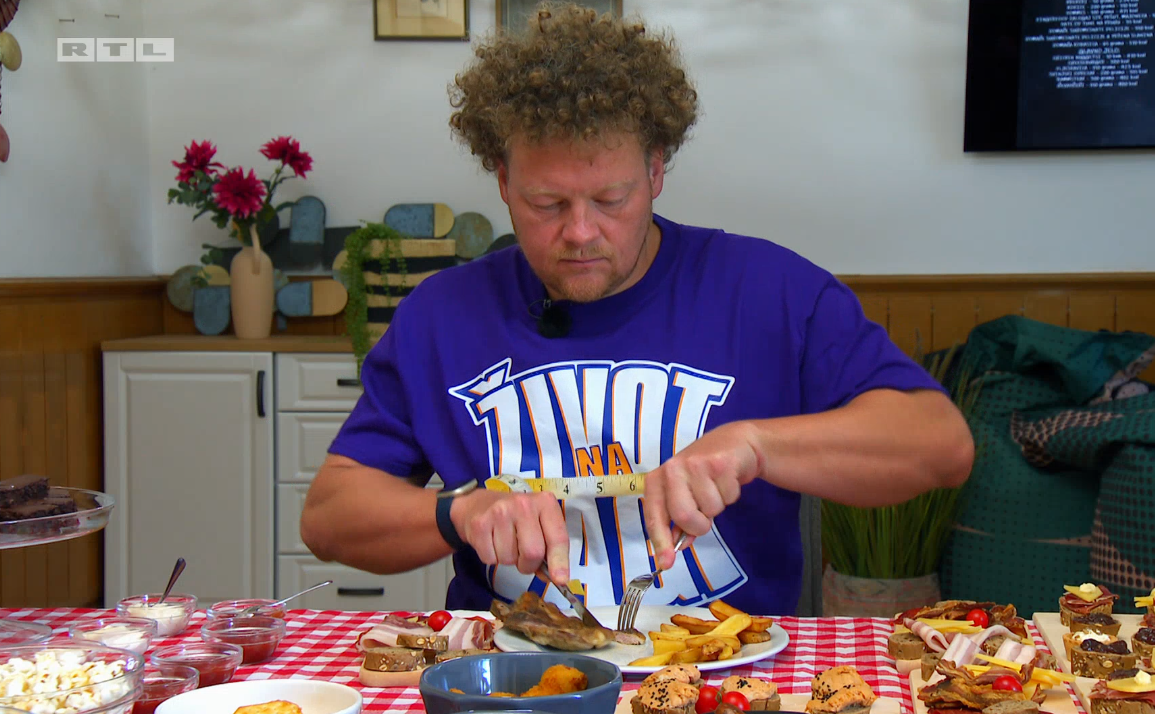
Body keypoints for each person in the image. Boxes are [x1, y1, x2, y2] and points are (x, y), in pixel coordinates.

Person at [300, 2, 974, 616]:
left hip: (731, 673)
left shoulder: (769, 291)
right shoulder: (442, 316)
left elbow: (939, 445)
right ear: (502, 180)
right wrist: (462, 513)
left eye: (611, 199)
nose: (581, 232)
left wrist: (756, 445)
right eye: (547, 204)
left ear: (656, 170)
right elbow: (330, 517)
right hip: (513, 678)